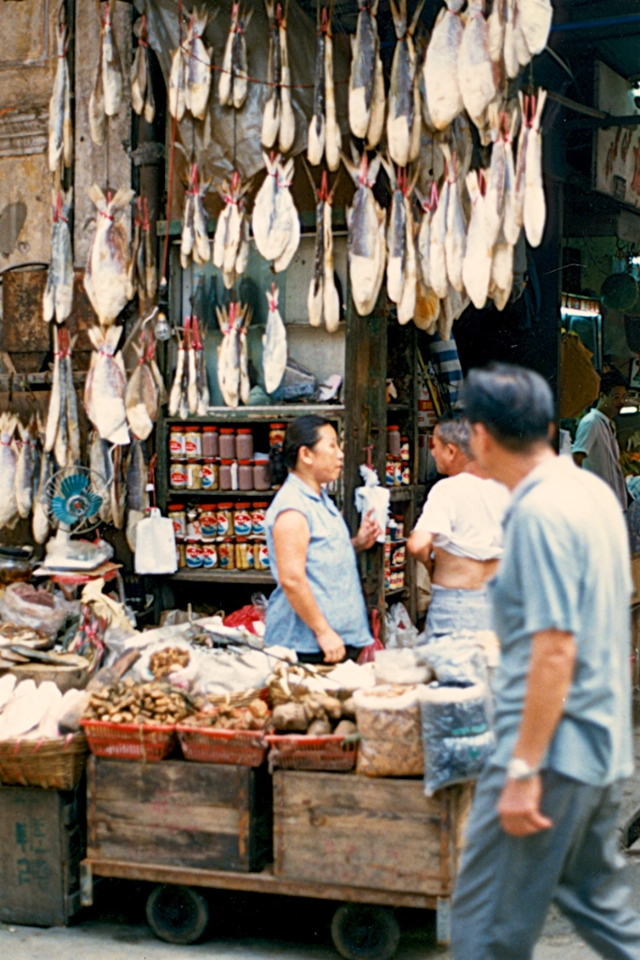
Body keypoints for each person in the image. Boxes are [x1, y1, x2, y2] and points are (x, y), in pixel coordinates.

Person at [451, 362, 640, 960]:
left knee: (484, 925)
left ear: (480, 435)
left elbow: (555, 648)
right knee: (603, 907)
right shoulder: (588, 492)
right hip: (600, 745)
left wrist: (524, 768)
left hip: (553, 755)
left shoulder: (541, 512)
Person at [264, 415, 380, 664]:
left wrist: (358, 543)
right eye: (332, 445)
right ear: (306, 455)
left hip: (334, 641)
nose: (340, 454)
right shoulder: (293, 508)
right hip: (308, 645)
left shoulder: (318, 499)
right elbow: (292, 578)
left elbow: (317, 556)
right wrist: (323, 631)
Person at [406, 416, 510, 640]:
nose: (432, 452)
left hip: (456, 606)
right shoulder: (505, 489)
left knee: (450, 672)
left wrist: (430, 564)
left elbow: (417, 544)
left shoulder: (447, 489)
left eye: (435, 446)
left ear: (451, 451)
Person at [572, 368, 628, 510]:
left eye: (623, 397)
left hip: (614, 505)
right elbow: (576, 459)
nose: (621, 402)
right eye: (616, 397)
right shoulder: (591, 422)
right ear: (602, 396)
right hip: (599, 506)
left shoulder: (609, 425)